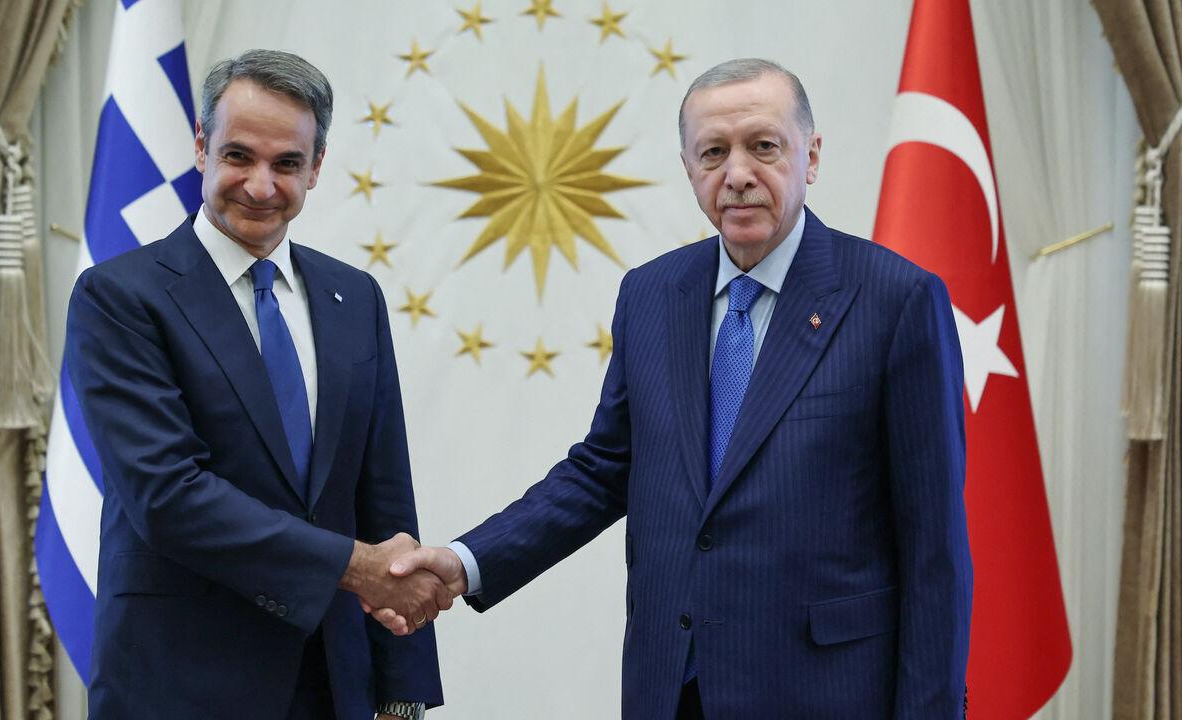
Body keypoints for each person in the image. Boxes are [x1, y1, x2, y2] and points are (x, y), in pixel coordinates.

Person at [370, 58, 973, 718]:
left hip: (826, 693)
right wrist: (465, 563)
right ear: (689, 167)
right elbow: (603, 471)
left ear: (812, 156)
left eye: (763, 147)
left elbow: (933, 550)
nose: (737, 174)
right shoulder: (653, 295)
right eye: (713, 152)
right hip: (673, 690)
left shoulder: (896, 299)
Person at [65, 50, 447, 720]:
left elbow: (385, 496)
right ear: (200, 148)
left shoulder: (352, 297)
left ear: (318, 167)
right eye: (239, 155)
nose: (261, 185)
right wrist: (349, 566)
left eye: (287, 163)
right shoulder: (120, 298)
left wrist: (402, 690)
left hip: (333, 682)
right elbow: (167, 496)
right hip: (178, 683)